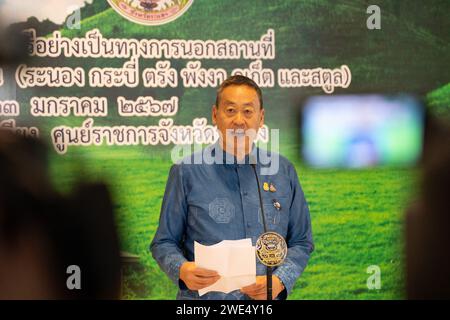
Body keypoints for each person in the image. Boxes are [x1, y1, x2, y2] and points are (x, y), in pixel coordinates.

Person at [150, 75, 314, 300]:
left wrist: (280, 280)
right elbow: (163, 242)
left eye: (248, 111)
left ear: (261, 118)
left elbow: (301, 240)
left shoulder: (283, 171)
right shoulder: (186, 171)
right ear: (215, 115)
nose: (239, 120)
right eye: (230, 110)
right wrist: (181, 269)